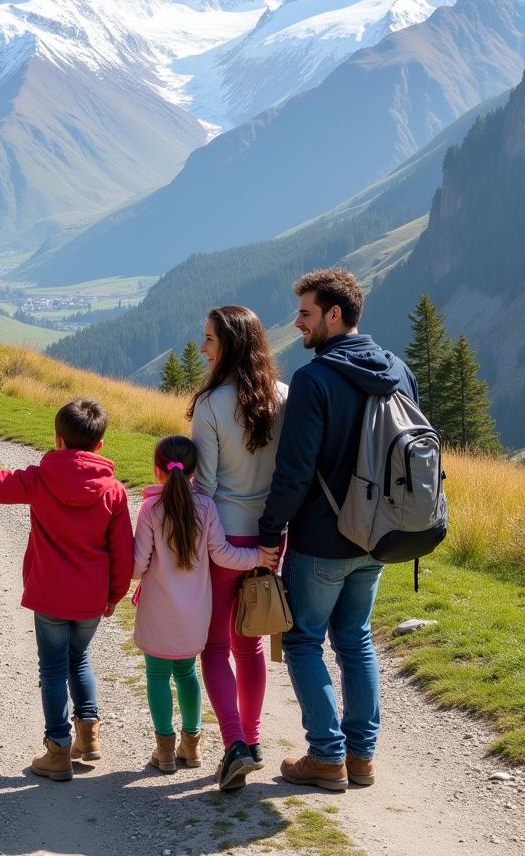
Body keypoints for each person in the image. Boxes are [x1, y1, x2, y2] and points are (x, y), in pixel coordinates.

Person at [258, 268, 418, 791]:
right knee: (355, 640)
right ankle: (362, 758)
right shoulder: (398, 369)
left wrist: (269, 532)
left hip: (323, 538)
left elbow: (295, 470)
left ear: (333, 314)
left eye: (305, 313)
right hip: (381, 535)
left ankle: (326, 756)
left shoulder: (314, 379)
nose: (297, 323)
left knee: (303, 639)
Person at [0, 398, 133, 782]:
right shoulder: (114, 492)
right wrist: (113, 596)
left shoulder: (39, 479)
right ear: (100, 445)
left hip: (50, 594)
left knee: (53, 667)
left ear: (56, 438)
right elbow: (124, 554)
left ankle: (58, 751)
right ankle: (89, 737)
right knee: (79, 659)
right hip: (91, 599)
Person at [133, 434, 277, 784]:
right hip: (196, 613)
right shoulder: (207, 508)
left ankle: (165, 751)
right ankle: (192, 746)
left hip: (157, 612)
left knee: (156, 675)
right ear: (197, 472)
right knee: (187, 674)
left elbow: (137, 566)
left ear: (157, 471)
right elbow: (223, 555)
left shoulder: (151, 510)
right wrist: (258, 557)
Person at [189, 305, 288, 790]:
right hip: (270, 538)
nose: (203, 347)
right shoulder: (282, 397)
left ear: (228, 344)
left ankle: (233, 745)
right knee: (249, 644)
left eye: (209, 339)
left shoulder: (210, 405)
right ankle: (252, 739)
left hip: (222, 536)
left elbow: (203, 485)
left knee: (214, 645)